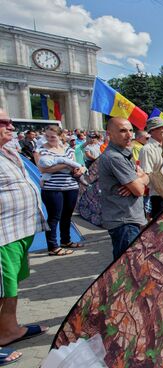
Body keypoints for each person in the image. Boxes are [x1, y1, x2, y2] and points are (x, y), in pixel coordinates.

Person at [0, 111, 49, 363]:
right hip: (1, 236)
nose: (11, 125)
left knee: (9, 287)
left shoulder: (6, 151)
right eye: (3, 122)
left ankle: (9, 330)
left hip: (16, 232)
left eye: (10, 121)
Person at [98, 118, 150, 260]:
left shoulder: (124, 154)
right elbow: (139, 190)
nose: (129, 135)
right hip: (124, 221)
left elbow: (146, 177)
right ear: (109, 133)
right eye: (122, 131)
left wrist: (140, 179)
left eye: (131, 130)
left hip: (129, 219)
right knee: (127, 267)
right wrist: (139, 181)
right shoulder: (115, 157)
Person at [34, 126, 85, 256]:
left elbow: (76, 166)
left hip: (71, 186)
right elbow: (43, 169)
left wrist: (76, 168)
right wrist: (68, 164)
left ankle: (66, 241)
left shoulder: (68, 149)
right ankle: (52, 246)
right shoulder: (40, 150)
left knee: (67, 216)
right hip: (52, 188)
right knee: (54, 217)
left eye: (53, 136)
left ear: (60, 136)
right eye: (47, 136)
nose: (49, 139)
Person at [139, 117, 163, 218]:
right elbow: (147, 173)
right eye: (162, 128)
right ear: (152, 130)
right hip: (159, 193)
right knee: (160, 225)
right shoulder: (147, 149)